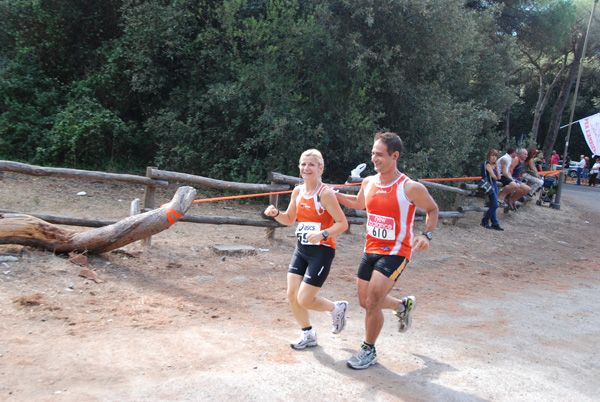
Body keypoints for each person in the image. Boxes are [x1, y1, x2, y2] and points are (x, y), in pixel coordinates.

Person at [335, 132, 439, 370]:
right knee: (365, 301)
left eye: (379, 154)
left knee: (372, 301)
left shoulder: (410, 187)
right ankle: (401, 306)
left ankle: (368, 350)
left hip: (396, 252)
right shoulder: (368, 182)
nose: (374, 159)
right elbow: (359, 203)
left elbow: (432, 209)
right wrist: (334, 194)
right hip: (370, 249)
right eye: (373, 153)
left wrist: (426, 234)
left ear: (395, 156)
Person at [264, 149, 349, 350]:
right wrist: (276, 213)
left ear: (320, 168)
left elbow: (342, 224)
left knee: (305, 299)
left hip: (322, 251)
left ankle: (336, 308)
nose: (306, 168)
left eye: (311, 164)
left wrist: (323, 234)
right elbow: (289, 219)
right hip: (302, 249)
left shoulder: (325, 194)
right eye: (303, 164)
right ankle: (308, 334)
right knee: (292, 294)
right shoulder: (298, 191)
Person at [480, 149, 503, 231]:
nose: (494, 158)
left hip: (494, 186)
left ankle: (495, 223)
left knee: (494, 204)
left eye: (496, 156)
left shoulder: (494, 165)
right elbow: (493, 176)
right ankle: (485, 220)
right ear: (489, 156)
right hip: (489, 185)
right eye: (492, 155)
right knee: (495, 204)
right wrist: (495, 171)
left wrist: (497, 167)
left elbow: (499, 177)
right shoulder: (487, 164)